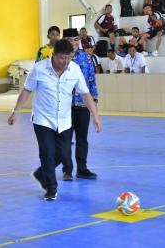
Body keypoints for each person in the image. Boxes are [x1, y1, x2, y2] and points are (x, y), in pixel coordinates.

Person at [7, 39, 102, 201]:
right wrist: (15, 111)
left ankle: (40, 173)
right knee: (47, 153)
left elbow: (86, 94)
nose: (65, 62)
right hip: (43, 119)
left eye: (68, 58)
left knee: (64, 154)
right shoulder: (39, 69)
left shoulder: (74, 70)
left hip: (64, 120)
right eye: (61, 58)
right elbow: (26, 90)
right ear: (54, 55)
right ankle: (51, 188)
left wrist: (95, 116)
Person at [62, 28, 99, 181]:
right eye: (70, 40)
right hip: (65, 106)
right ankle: (67, 170)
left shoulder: (85, 57)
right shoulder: (59, 58)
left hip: (83, 105)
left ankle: (82, 169)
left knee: (82, 138)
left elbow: (91, 78)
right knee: (65, 139)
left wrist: (94, 100)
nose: (73, 42)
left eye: (76, 39)